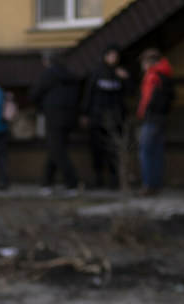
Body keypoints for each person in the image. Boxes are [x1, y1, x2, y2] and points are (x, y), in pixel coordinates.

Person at [29, 50, 82, 197]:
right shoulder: (70, 74)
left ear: (46, 61)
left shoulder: (48, 74)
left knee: (57, 151)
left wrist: (42, 105)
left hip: (54, 117)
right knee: (56, 149)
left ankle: (73, 183)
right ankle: (46, 182)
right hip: (70, 118)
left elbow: (34, 94)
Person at [81, 44, 131, 190]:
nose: (112, 59)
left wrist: (126, 79)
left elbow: (130, 91)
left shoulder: (121, 73)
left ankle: (115, 180)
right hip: (97, 118)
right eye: (110, 55)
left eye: (115, 56)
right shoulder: (96, 72)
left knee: (114, 151)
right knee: (96, 150)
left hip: (115, 119)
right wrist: (85, 113)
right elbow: (88, 93)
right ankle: (98, 178)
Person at [136, 47, 174, 196]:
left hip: (151, 119)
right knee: (157, 152)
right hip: (162, 119)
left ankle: (147, 185)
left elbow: (147, 100)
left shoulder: (152, 76)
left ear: (148, 63)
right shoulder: (166, 75)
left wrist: (142, 115)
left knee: (145, 152)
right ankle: (156, 185)